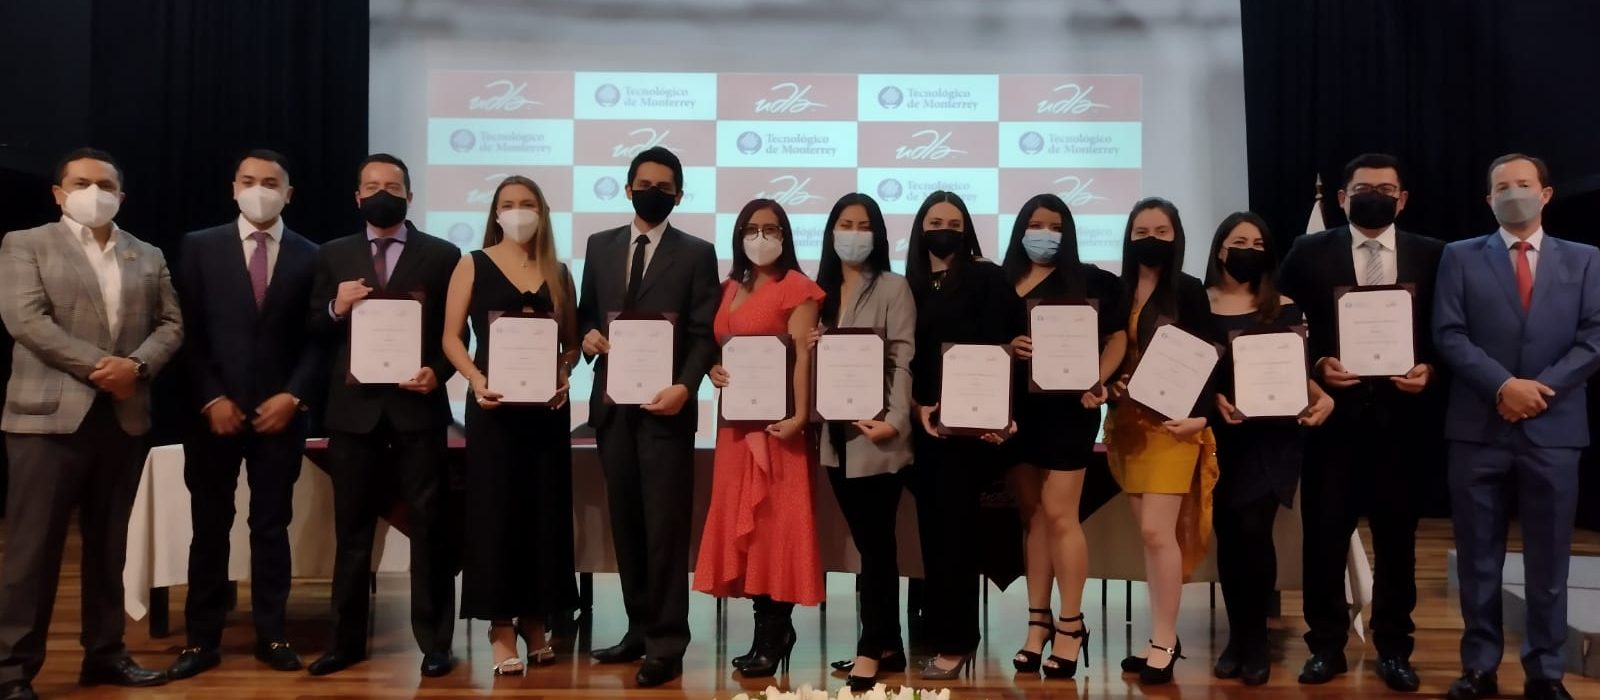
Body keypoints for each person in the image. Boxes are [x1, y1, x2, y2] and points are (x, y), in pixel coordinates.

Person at [0, 148, 183, 699]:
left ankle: (105, 654)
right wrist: (104, 368)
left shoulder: (146, 254)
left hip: (122, 418)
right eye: (81, 183)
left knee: (110, 548)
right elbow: (25, 319)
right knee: (33, 551)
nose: (93, 193)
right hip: (46, 420)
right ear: (58, 193)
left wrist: (138, 367)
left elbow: (171, 323)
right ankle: (13, 670)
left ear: (121, 196)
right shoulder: (25, 243)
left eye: (105, 185)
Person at [1276, 153, 1444, 691]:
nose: (1376, 196)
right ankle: (1326, 646)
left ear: (1403, 199)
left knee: (1397, 543)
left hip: (1403, 425)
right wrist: (1316, 365)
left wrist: (1431, 368)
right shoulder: (1308, 251)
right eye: (1364, 188)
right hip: (1332, 424)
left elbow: (1447, 328)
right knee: (1324, 539)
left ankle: (1394, 648)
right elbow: (1280, 324)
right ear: (1342, 198)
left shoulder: (1434, 255)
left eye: (1386, 189)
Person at [1434, 154, 1598, 700]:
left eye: (1523, 184)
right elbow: (1449, 333)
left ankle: (1545, 671)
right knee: (1478, 559)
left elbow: (1594, 338)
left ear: (1546, 194)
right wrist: (1504, 386)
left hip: (1554, 429)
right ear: (1488, 200)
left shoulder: (1586, 259)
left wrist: (1536, 392)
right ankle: (1479, 667)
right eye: (1501, 187)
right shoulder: (1459, 257)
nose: (1513, 194)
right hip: (1478, 428)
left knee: (1549, 560)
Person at [304, 153, 462, 678]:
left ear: (410, 196)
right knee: (352, 532)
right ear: (357, 197)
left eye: (392, 186)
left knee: (430, 528)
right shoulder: (332, 254)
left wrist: (438, 372)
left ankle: (435, 643)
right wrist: (336, 307)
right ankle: (345, 643)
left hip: (418, 409)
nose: (382, 194)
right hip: (353, 414)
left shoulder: (443, 255)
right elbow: (312, 328)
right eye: (371, 186)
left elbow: (456, 334)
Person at [168, 150, 322, 680]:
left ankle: (272, 634)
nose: (260, 190)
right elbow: (183, 330)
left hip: (281, 416)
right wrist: (211, 398)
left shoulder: (312, 255)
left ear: (288, 193)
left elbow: (318, 340)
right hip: (213, 416)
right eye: (250, 180)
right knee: (209, 527)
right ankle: (201, 638)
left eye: (271, 182)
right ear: (234, 187)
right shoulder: (199, 246)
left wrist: (294, 396)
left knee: (271, 527)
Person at [577, 146, 719, 688]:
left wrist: (686, 386)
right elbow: (587, 315)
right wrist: (588, 338)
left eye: (663, 186)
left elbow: (704, 333)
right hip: (613, 408)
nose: (651, 192)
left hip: (667, 410)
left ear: (678, 195)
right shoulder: (600, 245)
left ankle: (666, 642)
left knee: (664, 528)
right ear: (627, 188)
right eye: (643, 184)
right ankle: (638, 629)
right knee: (628, 525)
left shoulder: (697, 253)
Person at [441, 175, 579, 676]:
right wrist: (476, 379)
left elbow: (571, 344)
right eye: (509, 204)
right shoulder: (471, 263)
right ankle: (501, 625)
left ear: (542, 213)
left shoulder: (559, 272)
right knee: (495, 515)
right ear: (495, 213)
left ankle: (536, 621)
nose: (518, 212)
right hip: (494, 409)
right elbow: (450, 338)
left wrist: (564, 371)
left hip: (546, 413)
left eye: (527, 204)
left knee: (544, 514)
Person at [999, 194, 1127, 679]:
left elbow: (1117, 337)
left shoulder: (1091, 280)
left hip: (1069, 411)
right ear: (1020, 230)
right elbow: (984, 342)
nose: (1045, 234)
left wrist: (1098, 379)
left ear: (1068, 232)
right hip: (1016, 411)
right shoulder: (1001, 282)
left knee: (1060, 514)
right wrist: (1008, 346)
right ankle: (1038, 624)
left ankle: (1071, 624)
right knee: (1032, 517)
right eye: (1035, 225)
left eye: (1055, 226)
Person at [1204, 212, 1333, 686]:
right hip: (1218, 437)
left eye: (1258, 243)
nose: (1249, 250)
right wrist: (1214, 400)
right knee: (1229, 535)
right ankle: (1237, 637)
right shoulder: (1198, 303)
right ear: (1220, 248)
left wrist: (1320, 395)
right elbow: (1193, 368)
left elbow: (1296, 370)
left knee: (1254, 531)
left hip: (1272, 437)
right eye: (1239, 241)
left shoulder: (1286, 306)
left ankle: (1256, 638)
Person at [699, 199, 826, 678]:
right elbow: (721, 347)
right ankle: (764, 635)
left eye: (771, 229)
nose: (761, 237)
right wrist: (713, 369)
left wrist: (799, 417)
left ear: (785, 236)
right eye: (751, 229)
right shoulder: (729, 286)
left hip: (778, 430)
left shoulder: (797, 287)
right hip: (735, 430)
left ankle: (775, 634)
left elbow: (802, 359)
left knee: (776, 528)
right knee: (748, 533)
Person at [903, 191, 1023, 681]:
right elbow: (901, 359)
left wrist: (1005, 415)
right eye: (935, 221)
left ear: (967, 229)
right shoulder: (907, 284)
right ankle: (939, 635)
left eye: (954, 222)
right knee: (932, 537)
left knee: (957, 538)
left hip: (970, 433)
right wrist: (916, 408)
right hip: (921, 428)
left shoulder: (988, 278)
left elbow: (1008, 348)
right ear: (920, 227)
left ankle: (957, 641)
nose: (944, 229)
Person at [1103, 197, 1217, 686]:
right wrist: (1108, 386)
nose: (1151, 240)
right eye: (1142, 232)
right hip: (1127, 427)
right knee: (1150, 540)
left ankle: (1166, 640)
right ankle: (1158, 636)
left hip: (1173, 428)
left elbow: (1211, 354)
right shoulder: (1116, 290)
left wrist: (1202, 415)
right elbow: (1107, 351)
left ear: (1177, 237)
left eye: (1162, 232)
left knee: (1156, 532)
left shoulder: (1188, 290)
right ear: (1129, 238)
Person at [810, 194, 916, 692]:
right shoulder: (818, 292)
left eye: (863, 225)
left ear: (878, 235)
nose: (853, 233)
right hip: (834, 437)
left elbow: (902, 359)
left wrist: (895, 420)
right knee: (868, 541)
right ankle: (889, 642)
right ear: (831, 231)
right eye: (845, 224)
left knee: (875, 545)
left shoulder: (894, 287)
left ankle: (871, 647)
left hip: (878, 436)